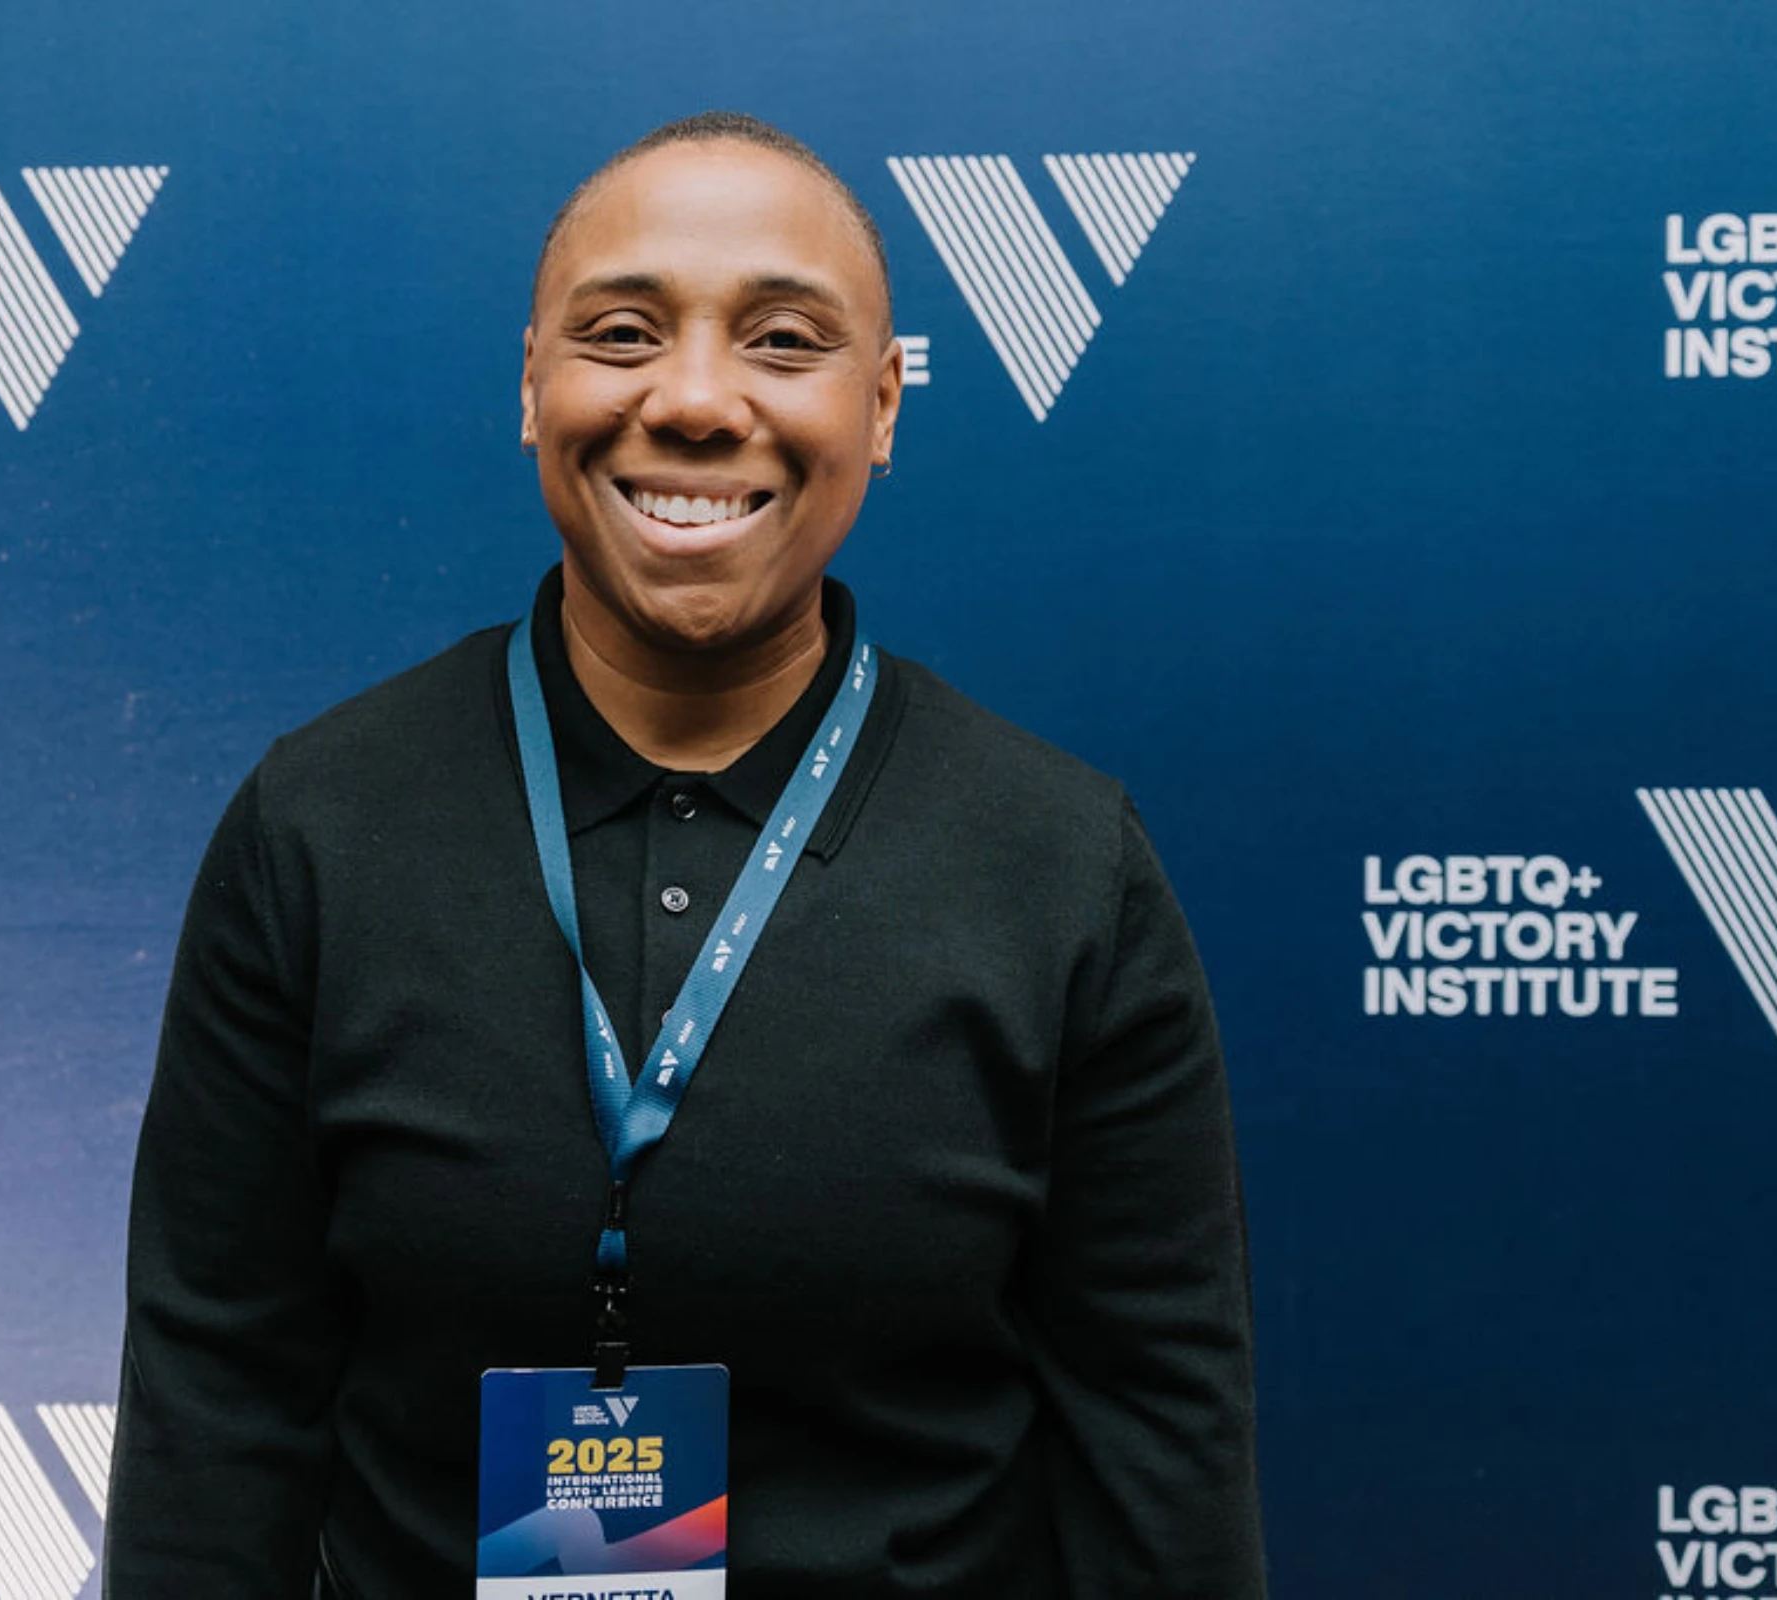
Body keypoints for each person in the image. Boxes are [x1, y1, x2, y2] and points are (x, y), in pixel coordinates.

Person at [104, 111, 1264, 1598]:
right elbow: (217, 1420)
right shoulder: (318, 830)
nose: (699, 399)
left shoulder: (1061, 865)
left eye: (785, 339)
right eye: (623, 333)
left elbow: (1162, 1450)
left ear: (888, 405)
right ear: (532, 386)